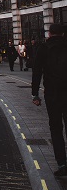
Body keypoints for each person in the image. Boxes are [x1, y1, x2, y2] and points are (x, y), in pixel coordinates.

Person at [32, 24, 67, 177]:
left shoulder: (44, 48)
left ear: (50, 33)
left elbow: (37, 71)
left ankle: (62, 164)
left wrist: (35, 94)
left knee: (56, 128)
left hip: (52, 93)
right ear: (63, 33)